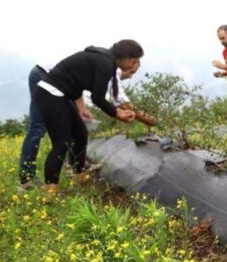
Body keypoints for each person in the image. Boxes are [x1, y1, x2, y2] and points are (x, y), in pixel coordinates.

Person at [33, 40, 144, 197]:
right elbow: (98, 98)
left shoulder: (107, 61)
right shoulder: (105, 63)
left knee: (80, 135)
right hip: (50, 94)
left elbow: (76, 79)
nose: (134, 66)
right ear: (124, 57)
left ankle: (79, 175)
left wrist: (82, 108)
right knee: (61, 143)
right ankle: (51, 192)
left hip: (61, 95)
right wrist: (116, 113)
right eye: (134, 62)